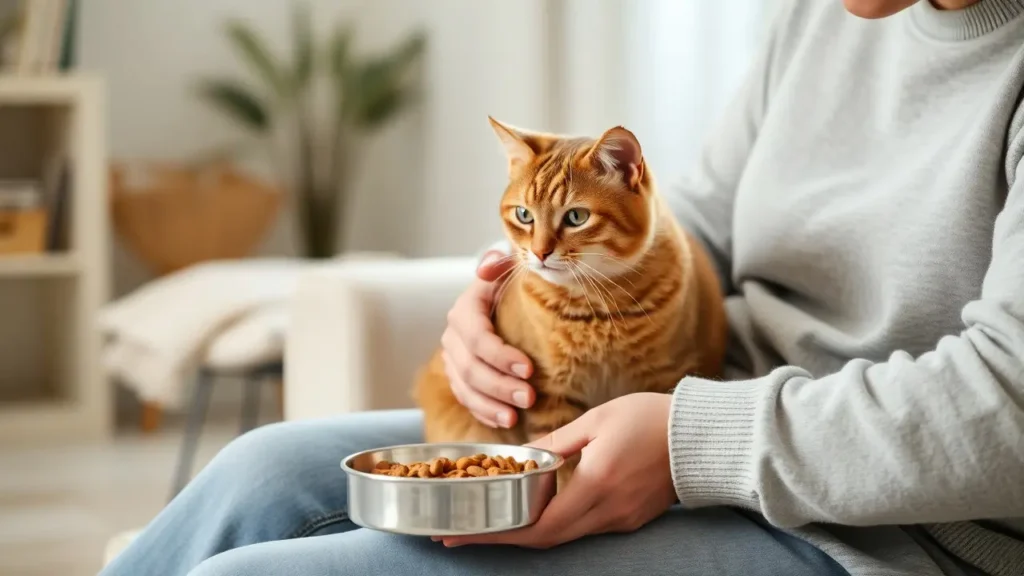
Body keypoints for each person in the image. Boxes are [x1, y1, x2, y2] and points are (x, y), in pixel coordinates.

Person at [100, 0, 1024, 574]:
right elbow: (684, 227)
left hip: (892, 532)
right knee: (256, 471)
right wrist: (500, 305)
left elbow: (1006, 406)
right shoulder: (823, 17)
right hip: (696, 423)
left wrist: (688, 442)